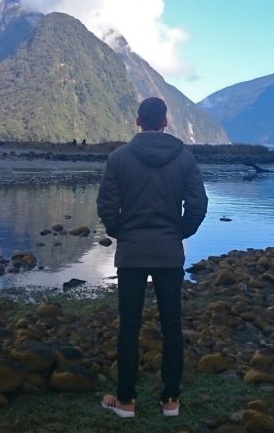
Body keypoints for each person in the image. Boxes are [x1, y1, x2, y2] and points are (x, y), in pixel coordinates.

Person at [96, 97, 208, 419]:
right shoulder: (184, 160)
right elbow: (198, 205)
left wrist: (123, 232)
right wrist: (179, 233)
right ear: (166, 122)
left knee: (129, 327)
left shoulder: (118, 159)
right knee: (172, 327)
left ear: (137, 121)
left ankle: (126, 402)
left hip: (131, 253)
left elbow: (106, 206)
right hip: (169, 254)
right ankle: (170, 401)